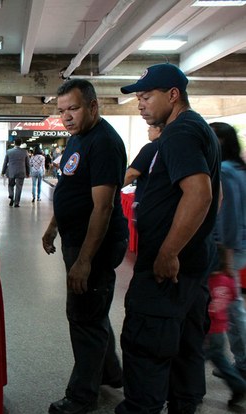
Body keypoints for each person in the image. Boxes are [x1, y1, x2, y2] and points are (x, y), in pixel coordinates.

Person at [116, 63, 221, 414]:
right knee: (187, 343)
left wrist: (169, 251)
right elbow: (215, 198)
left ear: (173, 95)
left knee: (147, 344)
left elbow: (200, 195)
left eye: (147, 97)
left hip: (168, 269)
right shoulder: (199, 129)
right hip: (193, 265)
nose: (141, 104)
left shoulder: (178, 134)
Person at [42, 79, 128, 414]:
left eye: (73, 108)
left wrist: (84, 260)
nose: (66, 116)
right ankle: (110, 372)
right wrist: (53, 226)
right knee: (93, 310)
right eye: (61, 110)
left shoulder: (104, 142)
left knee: (83, 316)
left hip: (96, 244)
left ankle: (82, 397)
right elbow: (69, 187)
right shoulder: (79, 138)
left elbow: (103, 207)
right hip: (76, 238)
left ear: (93, 106)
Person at [209, 122, 246, 379]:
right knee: (231, 304)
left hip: (228, 249)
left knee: (229, 306)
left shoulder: (224, 171)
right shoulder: (238, 169)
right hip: (235, 246)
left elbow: (227, 216)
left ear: (219, 141)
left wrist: (226, 257)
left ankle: (238, 361)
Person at [206, 265, 246, 406]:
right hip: (219, 330)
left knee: (194, 362)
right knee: (220, 359)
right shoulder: (228, 279)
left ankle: (193, 393)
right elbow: (234, 297)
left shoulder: (207, 281)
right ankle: (239, 385)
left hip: (206, 332)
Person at [1, 138, 29, 207]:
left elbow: (5, 162)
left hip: (11, 171)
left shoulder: (9, 151)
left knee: (10, 185)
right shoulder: (25, 152)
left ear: (14, 143)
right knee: (19, 187)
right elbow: (27, 163)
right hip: (21, 172)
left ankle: (11, 195)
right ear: (21, 143)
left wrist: (3, 172)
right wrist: (28, 172)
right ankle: (16, 203)